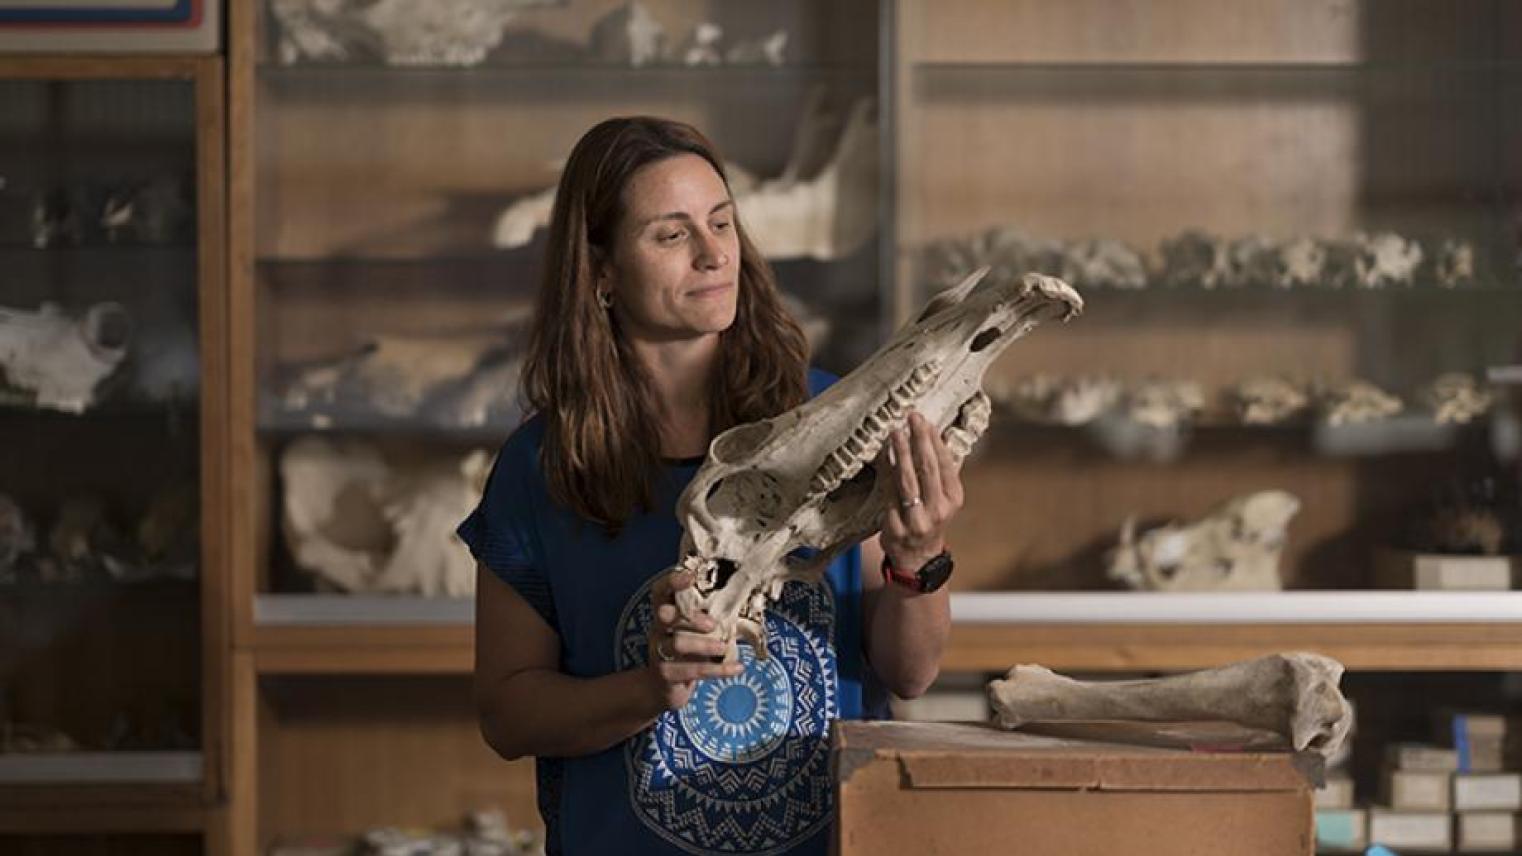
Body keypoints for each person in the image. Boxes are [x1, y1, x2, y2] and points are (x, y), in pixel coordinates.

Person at [458, 116, 960, 856]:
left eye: (721, 222)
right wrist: (648, 688)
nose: (712, 252)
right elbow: (507, 714)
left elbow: (909, 674)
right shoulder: (543, 466)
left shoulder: (838, 422)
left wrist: (921, 555)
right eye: (671, 235)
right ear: (599, 271)